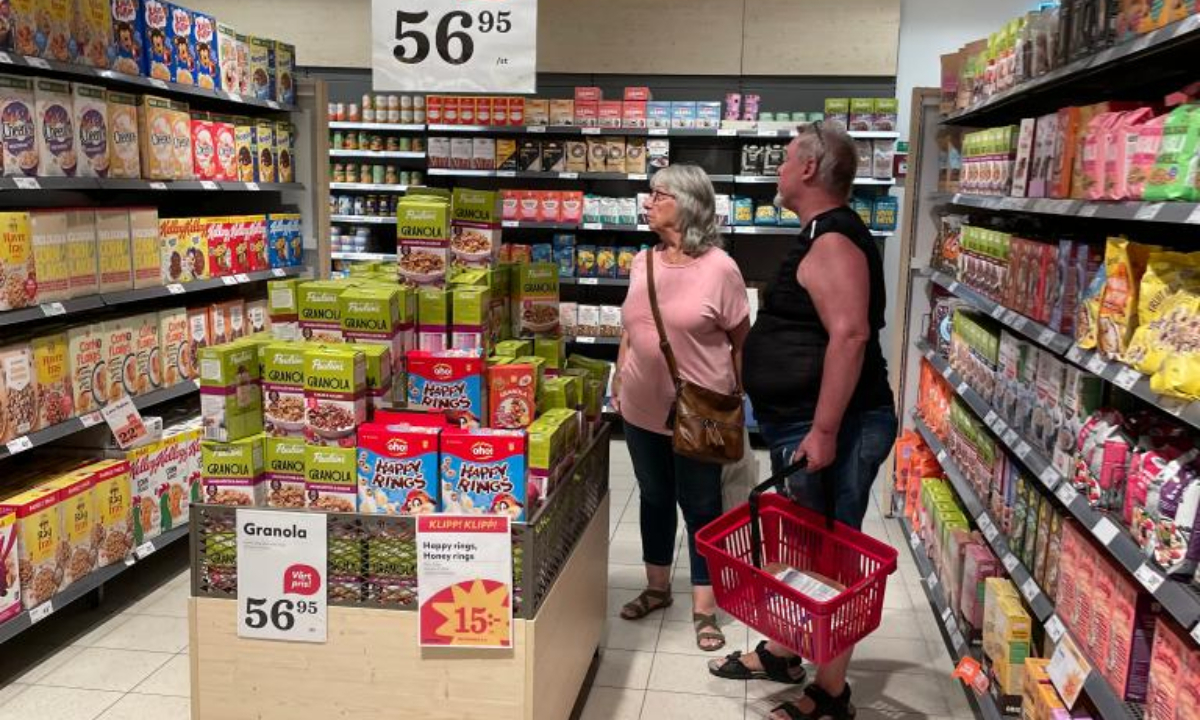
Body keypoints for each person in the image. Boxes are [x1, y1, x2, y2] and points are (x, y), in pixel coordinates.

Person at [708, 122, 898, 719]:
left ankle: (831, 693)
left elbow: (851, 335)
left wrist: (821, 430)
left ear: (811, 170)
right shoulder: (819, 233)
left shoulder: (834, 239)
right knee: (805, 546)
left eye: (787, 160)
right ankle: (785, 651)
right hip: (807, 425)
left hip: (836, 428)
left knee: (831, 554)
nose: (779, 170)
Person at [613, 163, 750, 652]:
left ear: (688, 203)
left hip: (699, 413)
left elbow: (739, 339)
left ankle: (704, 607)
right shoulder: (642, 262)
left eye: (657, 194)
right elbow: (631, 327)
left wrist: (735, 394)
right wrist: (619, 370)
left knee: (701, 507)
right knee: (653, 497)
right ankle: (656, 588)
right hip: (640, 408)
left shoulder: (720, 269)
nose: (647, 202)